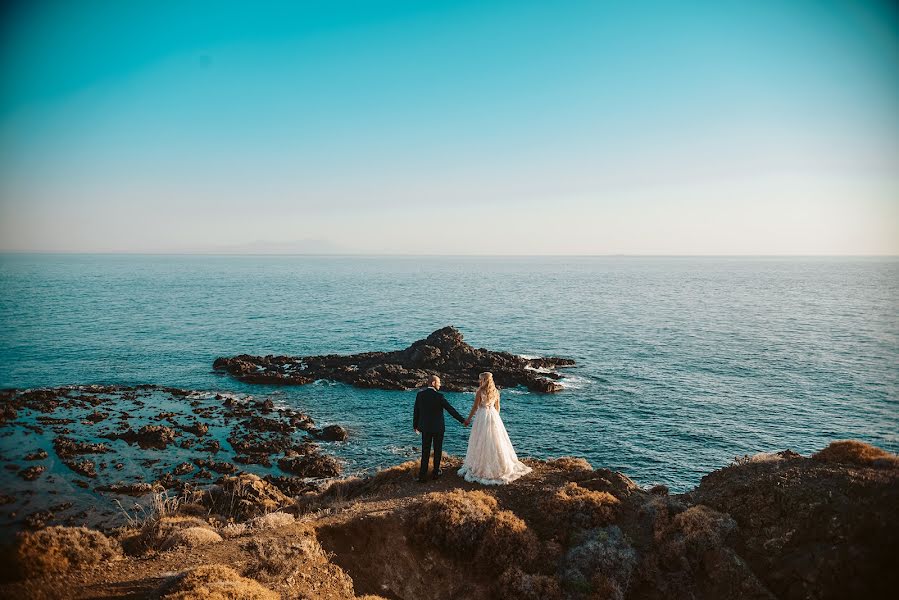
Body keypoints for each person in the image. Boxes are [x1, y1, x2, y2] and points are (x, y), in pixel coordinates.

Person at [457, 371, 531, 485]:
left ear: (484, 380)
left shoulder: (480, 391)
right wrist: (494, 418)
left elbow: (475, 407)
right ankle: (498, 465)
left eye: (480, 379)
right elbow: (498, 408)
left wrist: (468, 419)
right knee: (494, 440)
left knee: (481, 440)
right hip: (493, 416)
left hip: (482, 416)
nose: (478, 381)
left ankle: (480, 465)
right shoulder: (496, 392)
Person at [413, 374, 466, 482]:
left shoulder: (420, 395)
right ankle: (435, 473)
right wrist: (462, 420)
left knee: (425, 451)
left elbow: (416, 411)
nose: (440, 384)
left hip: (425, 428)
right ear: (433, 383)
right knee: (438, 450)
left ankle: (422, 476)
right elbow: (451, 410)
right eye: (438, 382)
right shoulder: (439, 396)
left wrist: (415, 426)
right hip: (438, 429)